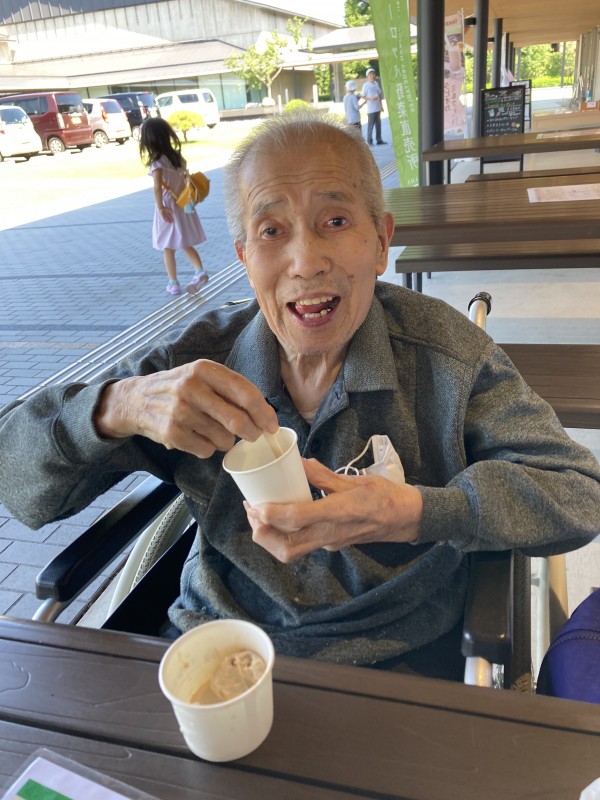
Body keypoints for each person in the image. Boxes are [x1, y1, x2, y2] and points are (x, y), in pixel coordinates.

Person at [1, 112, 600, 682]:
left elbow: (578, 491)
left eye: (335, 221)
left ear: (381, 240)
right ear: (244, 256)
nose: (306, 261)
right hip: (216, 652)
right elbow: (13, 474)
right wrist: (115, 408)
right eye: (272, 231)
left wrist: (417, 512)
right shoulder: (196, 364)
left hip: (400, 661)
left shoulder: (447, 357)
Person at [139, 117, 210, 297]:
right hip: (183, 204)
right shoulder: (178, 158)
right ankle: (199, 270)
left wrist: (160, 207)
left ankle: (173, 283)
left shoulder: (157, 163)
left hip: (168, 207)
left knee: (168, 247)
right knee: (184, 242)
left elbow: (157, 187)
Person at [361, 68, 386, 146]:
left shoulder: (376, 83)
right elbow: (363, 96)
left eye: (373, 74)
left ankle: (379, 140)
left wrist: (381, 105)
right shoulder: (365, 85)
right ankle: (369, 141)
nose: (372, 76)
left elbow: (379, 94)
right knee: (370, 125)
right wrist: (371, 98)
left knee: (378, 125)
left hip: (377, 107)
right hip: (371, 109)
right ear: (367, 76)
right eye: (370, 74)